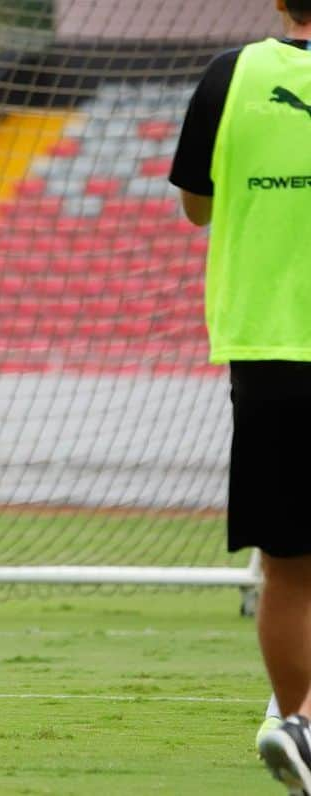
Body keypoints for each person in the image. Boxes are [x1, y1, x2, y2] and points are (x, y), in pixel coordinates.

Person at [169, 2, 311, 791]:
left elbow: (197, 205)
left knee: (286, 563)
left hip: (267, 347)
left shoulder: (231, 74)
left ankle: (297, 723)